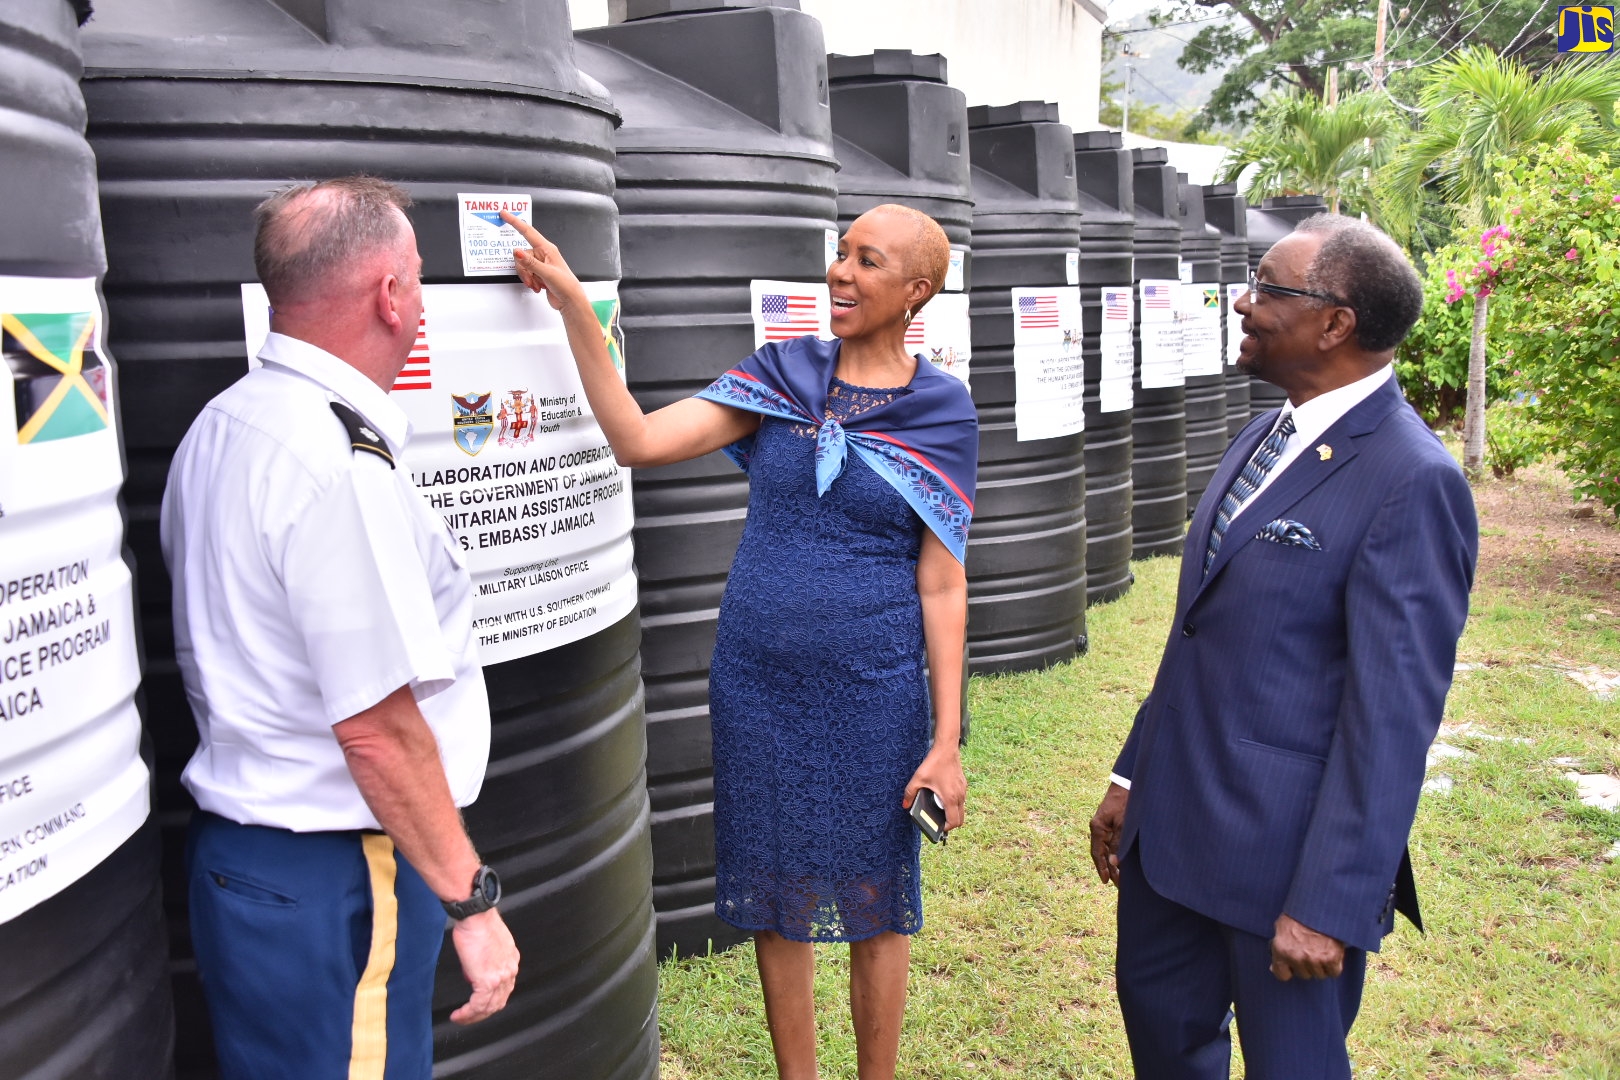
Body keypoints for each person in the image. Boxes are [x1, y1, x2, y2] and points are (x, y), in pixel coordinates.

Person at [500, 203, 976, 1080]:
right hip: (756, 680)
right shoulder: (783, 375)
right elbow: (636, 440)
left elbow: (943, 584)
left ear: (916, 292)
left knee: (876, 899)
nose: (839, 273)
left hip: (875, 687)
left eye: (866, 262)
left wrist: (945, 742)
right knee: (774, 893)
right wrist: (575, 307)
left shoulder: (941, 412)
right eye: (837, 255)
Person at [1088, 214, 1478, 1078]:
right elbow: (1203, 634)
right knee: (1165, 1049)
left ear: (1335, 323)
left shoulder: (1411, 481)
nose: (1244, 302)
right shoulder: (1269, 430)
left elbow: (1391, 718)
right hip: (1169, 838)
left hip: (1283, 869)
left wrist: (1330, 904)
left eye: (1268, 288)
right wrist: (1131, 774)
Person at [161, 176, 519, 1079]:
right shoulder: (337, 463)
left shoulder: (220, 426)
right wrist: (472, 906)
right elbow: (377, 729)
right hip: (342, 880)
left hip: (244, 866)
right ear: (390, 295)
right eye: (421, 278)